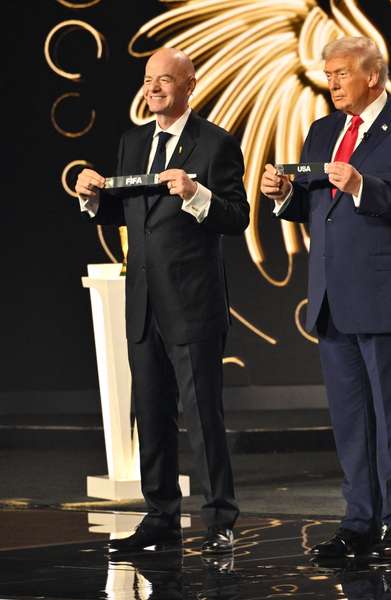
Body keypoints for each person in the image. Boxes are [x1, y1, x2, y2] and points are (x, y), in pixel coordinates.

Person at [260, 36, 391, 562]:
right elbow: (317, 206)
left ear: (374, 76)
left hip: (389, 296)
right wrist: (284, 197)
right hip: (333, 298)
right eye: (329, 74)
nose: (332, 82)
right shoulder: (322, 132)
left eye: (342, 73)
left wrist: (365, 185)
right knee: (351, 420)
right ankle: (358, 523)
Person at [74, 48, 248, 554]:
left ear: (189, 85)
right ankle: (161, 516)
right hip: (143, 302)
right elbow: (130, 212)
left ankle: (219, 520)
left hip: (194, 305)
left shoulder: (215, 144)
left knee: (203, 416)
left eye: (164, 81)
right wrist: (92, 196)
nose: (153, 89)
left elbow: (236, 217)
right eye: (148, 80)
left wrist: (195, 194)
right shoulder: (133, 142)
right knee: (151, 414)